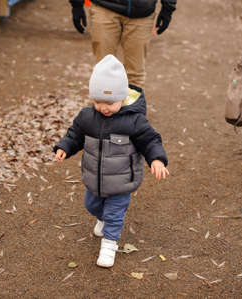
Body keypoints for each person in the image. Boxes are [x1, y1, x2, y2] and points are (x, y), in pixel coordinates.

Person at [54, 55, 169, 267]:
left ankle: (109, 245)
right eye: (98, 102)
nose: (104, 108)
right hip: (94, 179)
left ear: (122, 98)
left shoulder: (133, 120)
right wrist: (64, 147)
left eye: (110, 103)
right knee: (91, 205)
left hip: (121, 181)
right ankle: (103, 218)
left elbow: (150, 139)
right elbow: (75, 135)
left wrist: (157, 159)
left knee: (114, 213)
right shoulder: (87, 117)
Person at [69, 0, 177, 89]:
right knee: (103, 69)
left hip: (142, 14)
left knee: (135, 74)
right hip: (104, 8)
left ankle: (132, 112)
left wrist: (168, 8)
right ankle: (103, 111)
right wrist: (77, 5)